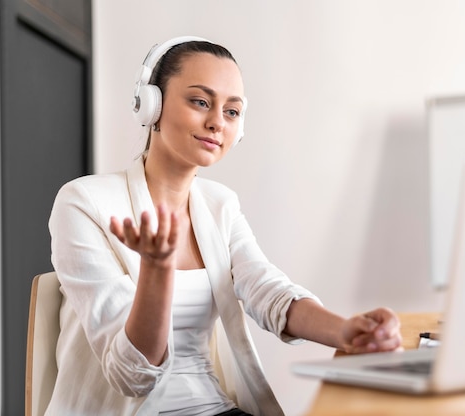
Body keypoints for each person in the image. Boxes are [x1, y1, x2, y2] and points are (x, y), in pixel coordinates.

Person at [46, 35, 403, 416]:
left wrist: (346, 332)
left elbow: (268, 291)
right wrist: (157, 269)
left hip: (213, 408)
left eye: (231, 112)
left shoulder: (220, 205)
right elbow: (132, 376)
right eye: (200, 102)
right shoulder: (84, 202)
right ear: (151, 105)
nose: (217, 122)